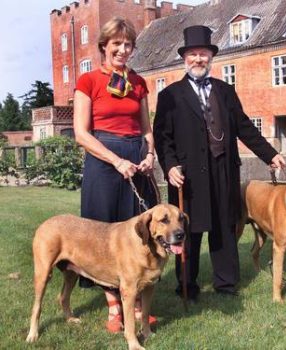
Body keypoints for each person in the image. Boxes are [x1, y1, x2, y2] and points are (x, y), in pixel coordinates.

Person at [153, 25, 286, 300]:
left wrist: (269, 154)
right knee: (185, 230)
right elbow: (162, 138)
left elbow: (244, 126)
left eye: (203, 54)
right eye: (193, 54)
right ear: (184, 58)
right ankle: (187, 286)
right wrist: (169, 166)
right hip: (186, 175)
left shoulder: (225, 91)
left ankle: (226, 284)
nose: (198, 59)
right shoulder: (170, 95)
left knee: (225, 227)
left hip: (223, 170)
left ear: (211, 57)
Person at [73, 16, 156, 333]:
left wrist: (150, 154)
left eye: (128, 44)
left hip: (137, 157)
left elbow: (146, 128)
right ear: (104, 47)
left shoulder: (138, 83)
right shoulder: (88, 81)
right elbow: (81, 134)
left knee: (138, 230)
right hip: (103, 160)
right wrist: (115, 160)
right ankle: (113, 306)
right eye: (116, 44)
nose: (123, 49)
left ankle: (134, 303)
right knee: (103, 233)